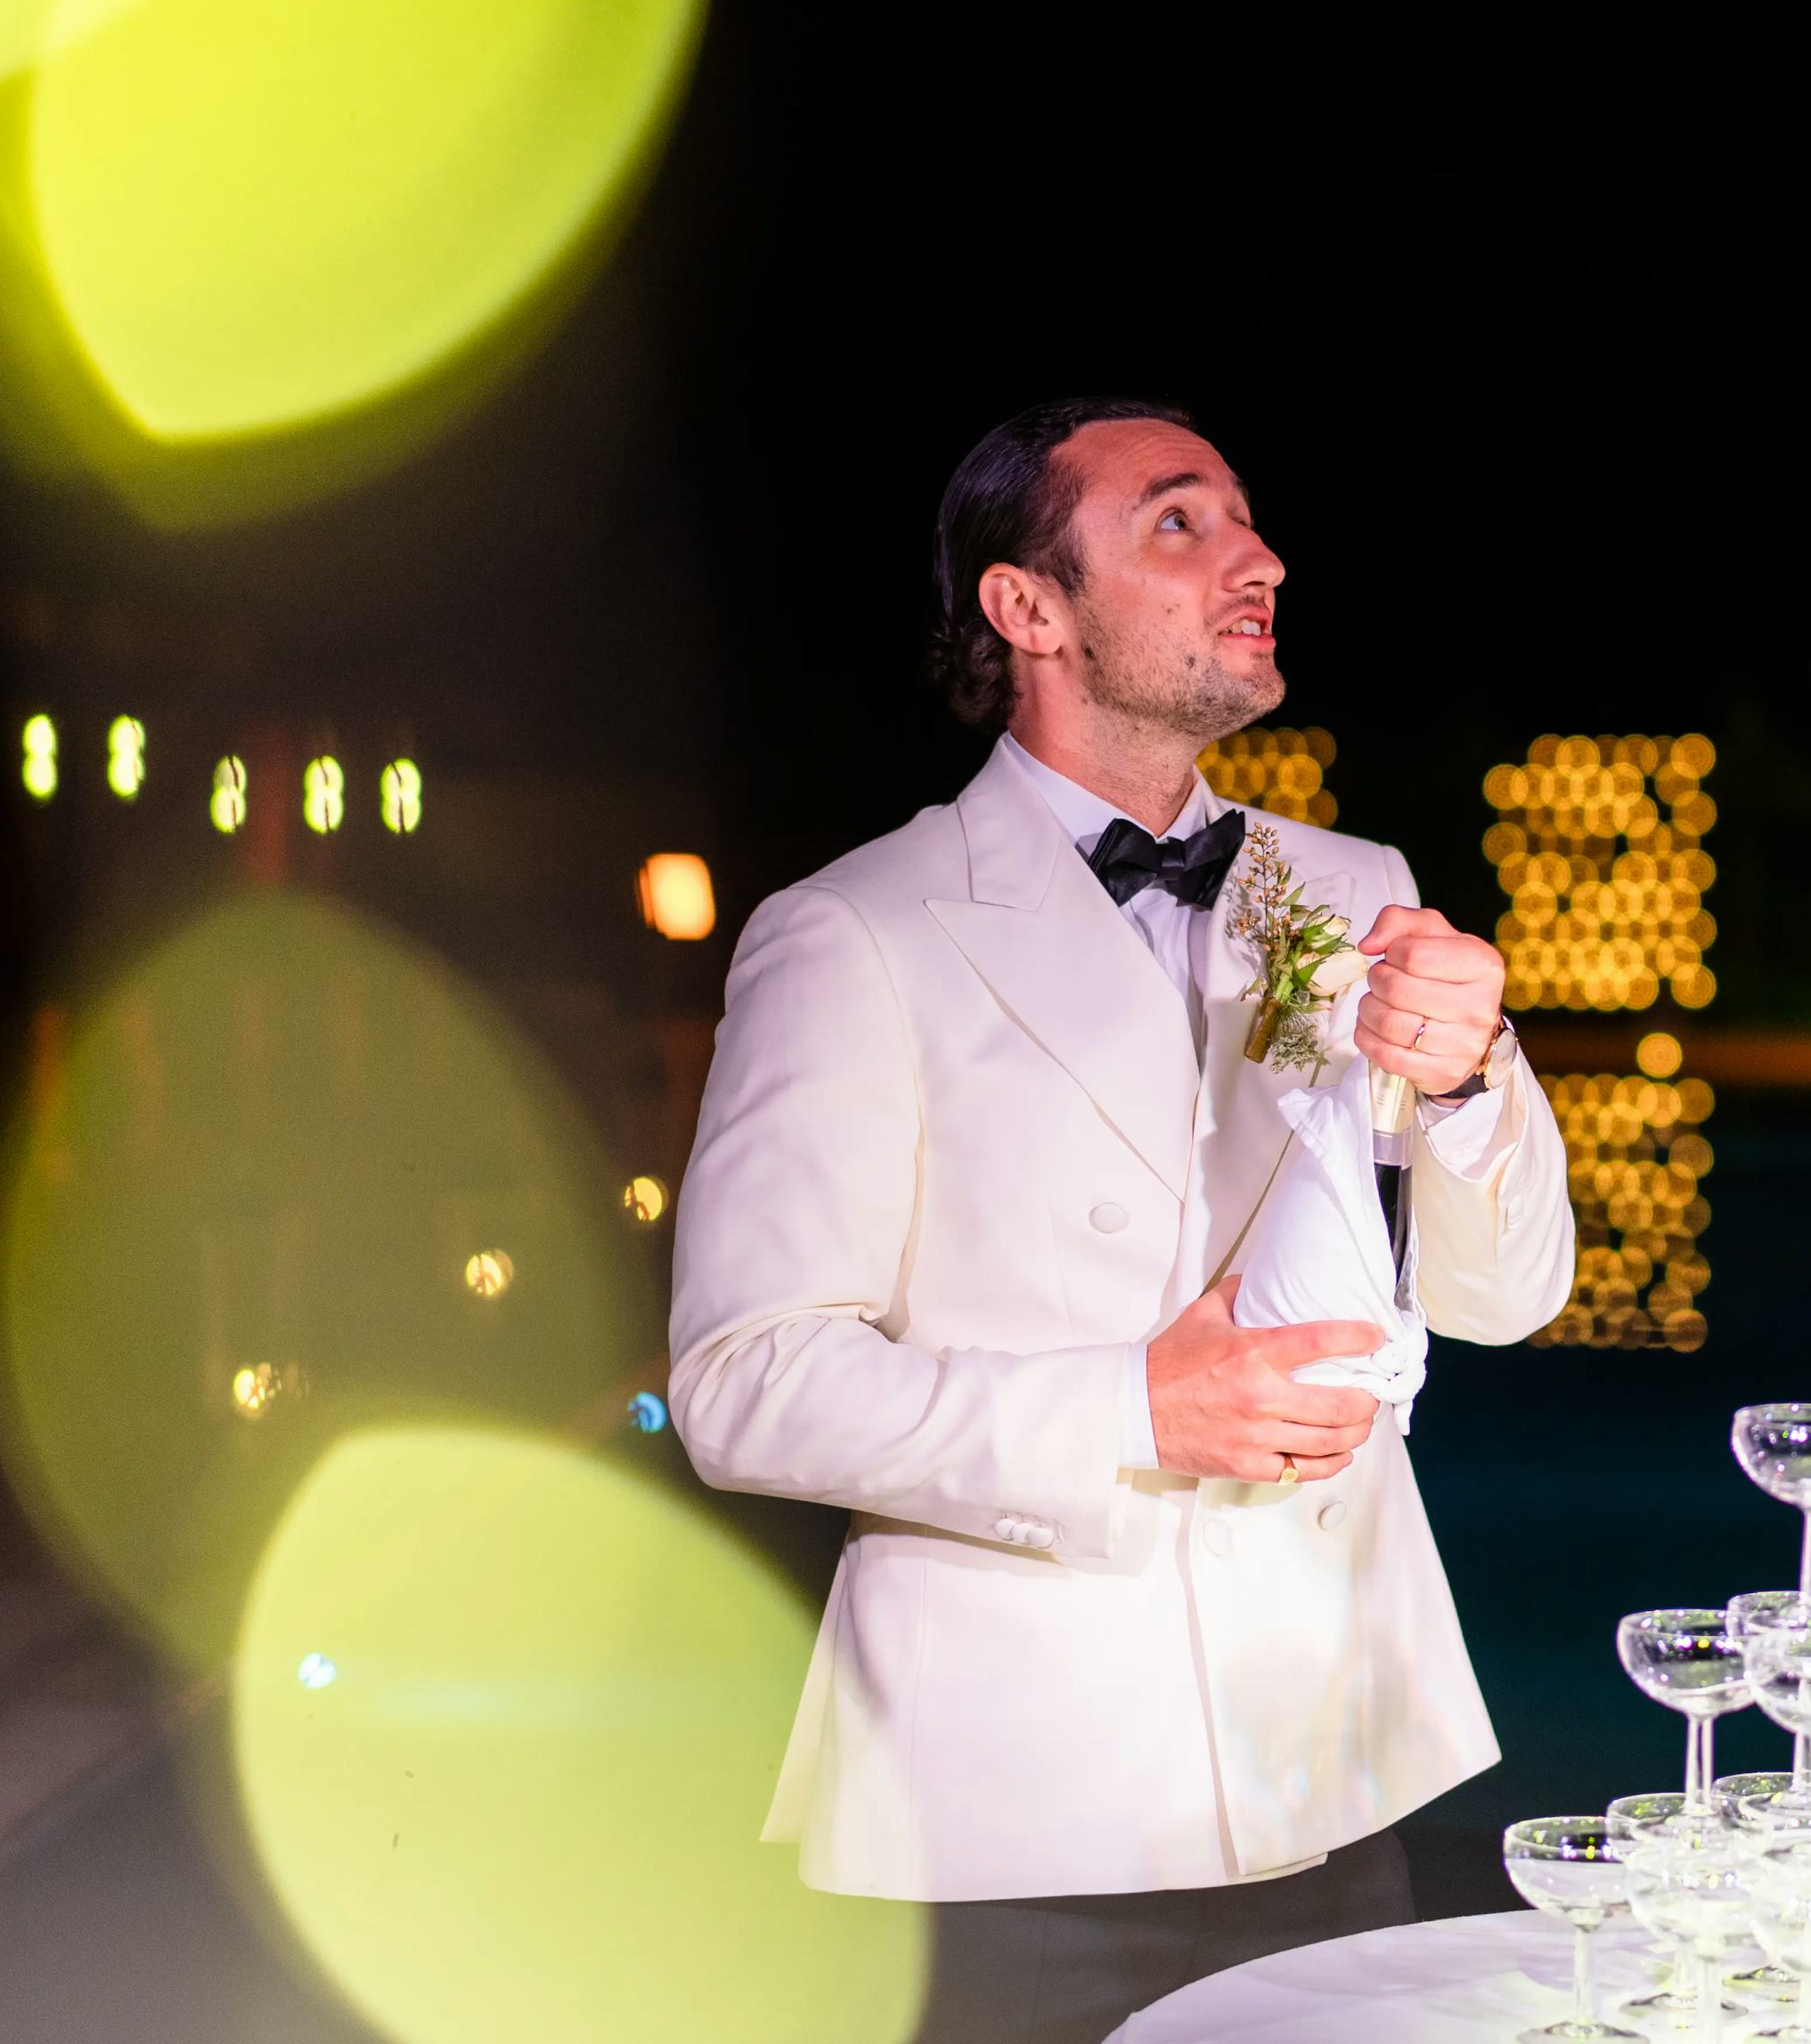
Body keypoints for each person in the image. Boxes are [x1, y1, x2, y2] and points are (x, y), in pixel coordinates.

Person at [666, 397, 1573, 2041]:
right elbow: (745, 1383)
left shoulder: (1354, 887)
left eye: (1244, 517)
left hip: (1332, 1771)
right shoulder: (855, 931)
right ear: (1029, 610)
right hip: (1015, 1821)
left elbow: (1503, 1304)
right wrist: (1136, 1405)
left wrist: (1471, 1082)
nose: (1257, 557)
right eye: (1179, 522)